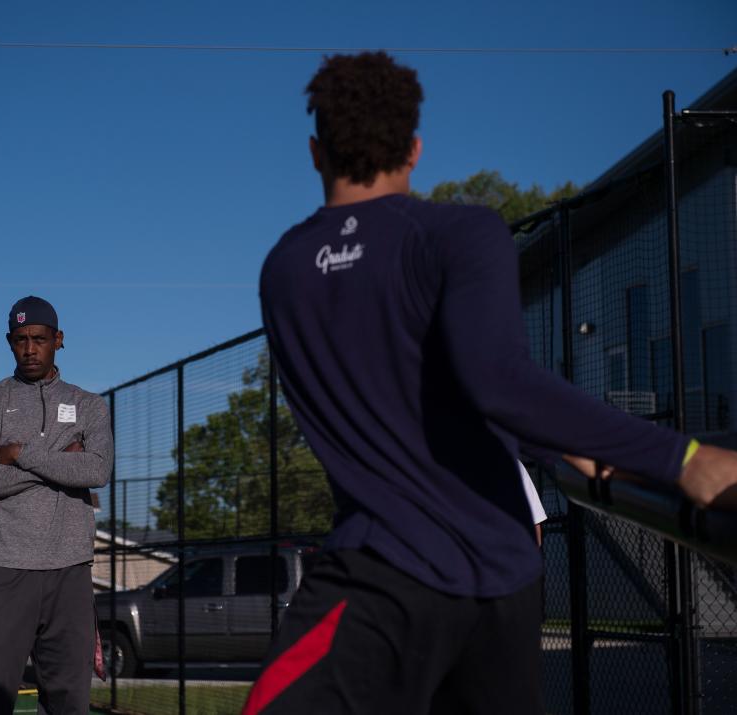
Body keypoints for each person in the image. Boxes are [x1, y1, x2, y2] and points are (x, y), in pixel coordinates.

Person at [244, 51, 737, 715]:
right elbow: (492, 381)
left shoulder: (285, 270)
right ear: (414, 148)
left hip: (385, 572)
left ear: (314, 151)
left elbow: (415, 389)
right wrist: (685, 458)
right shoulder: (462, 233)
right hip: (501, 583)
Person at [0, 296, 113, 715]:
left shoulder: (89, 405)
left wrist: (19, 455)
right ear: (10, 342)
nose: (30, 349)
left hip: (69, 570)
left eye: (39, 339)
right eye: (21, 340)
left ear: (58, 340)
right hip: (1, 567)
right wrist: (63, 461)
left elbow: (97, 471)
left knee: (69, 703)